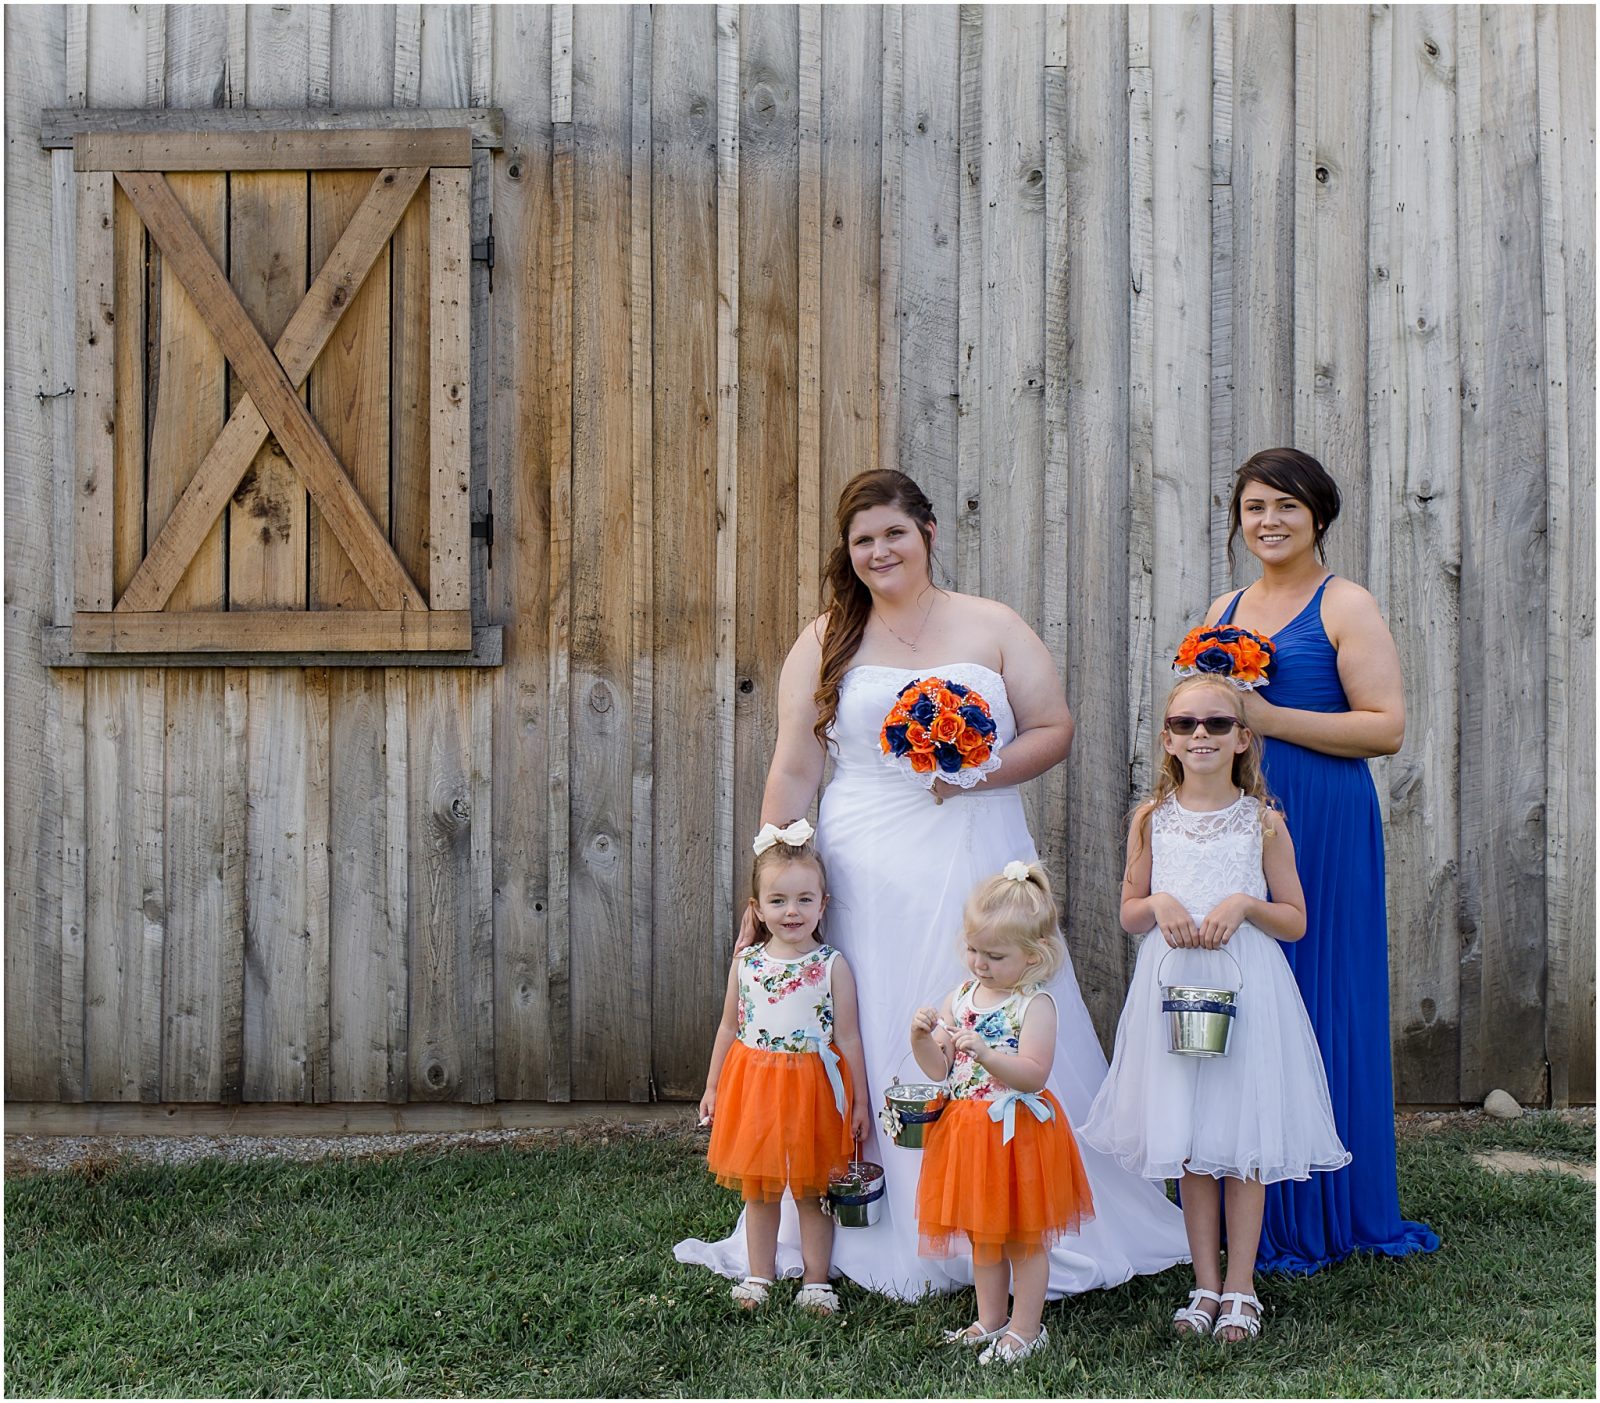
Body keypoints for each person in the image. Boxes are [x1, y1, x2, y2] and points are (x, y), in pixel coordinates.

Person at [676, 468, 1189, 1298]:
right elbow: (794, 768)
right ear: (849, 553)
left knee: (990, 1002)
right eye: (862, 540)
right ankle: (874, 1218)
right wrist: (764, 885)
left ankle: (1008, 1210)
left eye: (894, 534)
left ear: (929, 533)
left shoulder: (990, 625)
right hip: (864, 861)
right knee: (877, 1019)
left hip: (973, 849)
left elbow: (1054, 728)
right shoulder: (825, 640)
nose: (880, 551)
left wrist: (976, 769)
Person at [1201, 447, 1439, 1273]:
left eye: (1287, 507)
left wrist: (1266, 716)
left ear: (1319, 518)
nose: (1268, 521)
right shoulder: (1225, 606)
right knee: (1246, 996)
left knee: (1320, 990)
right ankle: (1241, 1199)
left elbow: (1384, 727)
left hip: (1325, 819)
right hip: (1240, 819)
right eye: (1255, 506)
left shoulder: (1346, 605)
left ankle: (1330, 1205)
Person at [1079, 675, 1349, 1341]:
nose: (1202, 733)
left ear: (1243, 738)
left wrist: (1247, 904)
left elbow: (1295, 920)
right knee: (1192, 1143)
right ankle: (1203, 1281)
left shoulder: (1263, 823)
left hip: (1247, 989)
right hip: (1172, 991)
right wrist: (1160, 905)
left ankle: (1241, 1286)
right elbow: (1128, 909)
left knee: (1241, 1140)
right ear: (1168, 738)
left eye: (1218, 724)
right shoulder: (1152, 819)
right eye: (1187, 722)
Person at [909, 862, 1095, 1365]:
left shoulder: (1034, 1006)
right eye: (973, 950)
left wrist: (989, 1054)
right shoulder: (961, 997)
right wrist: (921, 1039)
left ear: (1033, 957)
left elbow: (1034, 1073)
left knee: (1023, 1239)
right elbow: (940, 1068)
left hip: (1018, 1136)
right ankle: (990, 1319)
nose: (979, 964)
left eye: (994, 955)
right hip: (969, 1132)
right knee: (984, 1237)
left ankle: (1027, 1328)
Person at [697, 818, 871, 1316]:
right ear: (757, 908)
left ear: (823, 904)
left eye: (803, 900)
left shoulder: (832, 965)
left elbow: (849, 1037)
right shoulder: (747, 963)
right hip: (753, 1087)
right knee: (760, 1187)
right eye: (777, 901)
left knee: (814, 1189)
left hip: (814, 1088)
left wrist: (857, 1100)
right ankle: (759, 1274)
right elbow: (728, 1029)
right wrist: (713, 1087)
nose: (791, 912)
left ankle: (817, 1281)